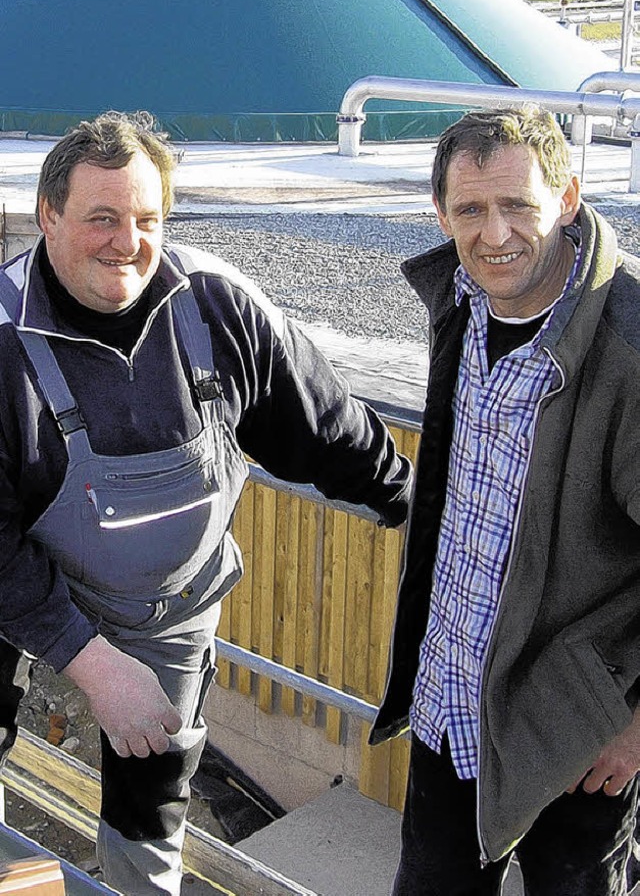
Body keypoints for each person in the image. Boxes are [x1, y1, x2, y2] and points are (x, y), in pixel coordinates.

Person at [0, 111, 412, 896]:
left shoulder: (217, 309)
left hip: (170, 607)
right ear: (47, 215)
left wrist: (416, 504)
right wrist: (87, 661)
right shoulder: (1, 344)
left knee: (152, 803)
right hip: (18, 590)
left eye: (147, 219)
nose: (128, 242)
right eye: (101, 219)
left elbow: (326, 429)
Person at [370, 105, 640, 895]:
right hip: (450, 706)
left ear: (568, 196)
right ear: (440, 213)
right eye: (471, 210)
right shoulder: (460, 297)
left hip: (577, 737)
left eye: (518, 204)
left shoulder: (628, 344)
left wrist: (634, 724)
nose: (495, 234)